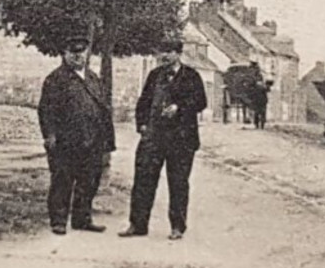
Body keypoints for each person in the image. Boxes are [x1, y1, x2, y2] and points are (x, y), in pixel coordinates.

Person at [122, 36, 209, 241]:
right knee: (143, 180)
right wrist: (142, 125)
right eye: (163, 52)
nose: (165, 56)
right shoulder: (154, 75)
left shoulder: (191, 76)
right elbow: (143, 102)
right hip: (154, 137)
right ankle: (137, 224)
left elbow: (201, 102)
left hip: (181, 140)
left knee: (178, 183)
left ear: (178, 54)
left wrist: (179, 108)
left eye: (169, 52)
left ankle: (177, 227)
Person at [37, 32, 116, 235]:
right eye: (73, 53)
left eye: (81, 53)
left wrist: (107, 140)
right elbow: (46, 110)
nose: (77, 57)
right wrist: (50, 136)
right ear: (65, 54)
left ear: (87, 54)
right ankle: (59, 220)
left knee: (89, 181)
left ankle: (82, 219)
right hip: (66, 141)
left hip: (93, 140)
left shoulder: (93, 78)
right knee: (63, 180)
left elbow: (103, 108)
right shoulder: (55, 79)